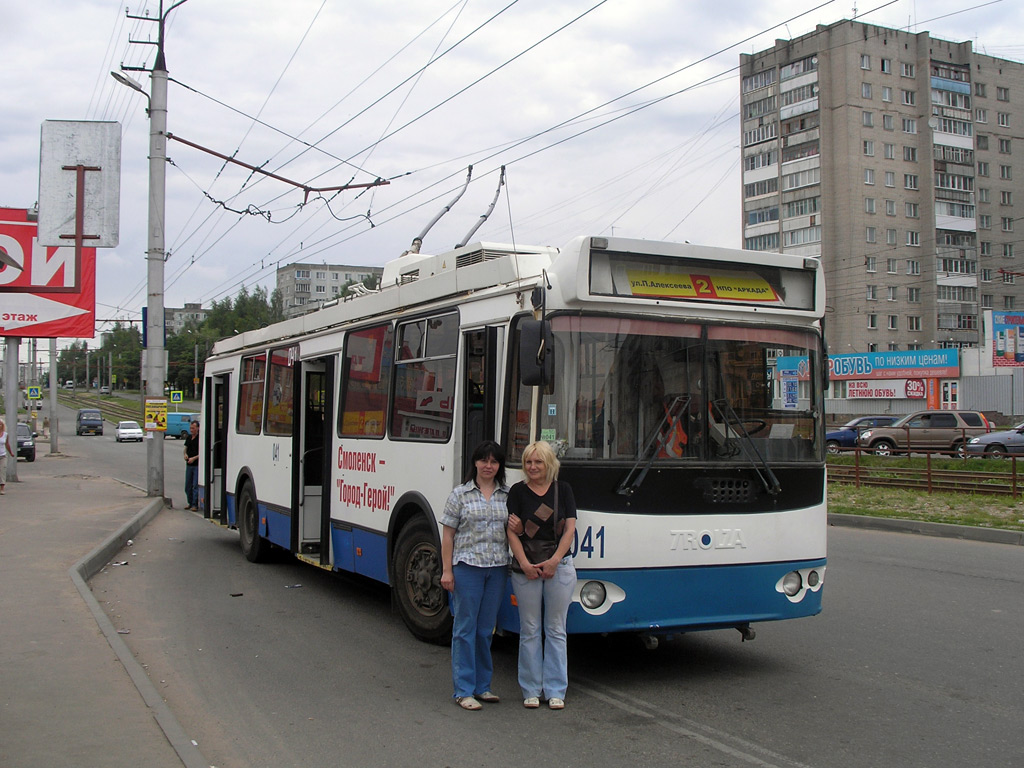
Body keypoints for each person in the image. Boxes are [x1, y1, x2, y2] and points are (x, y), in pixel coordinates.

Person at [507, 440, 577, 710]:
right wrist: (524, 564)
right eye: (528, 462)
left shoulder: (564, 490)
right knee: (530, 629)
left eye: (538, 462)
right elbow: (512, 531)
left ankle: (556, 689)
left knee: (556, 629)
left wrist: (555, 561)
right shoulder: (517, 492)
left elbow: (570, 529)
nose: (532, 467)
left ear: (549, 464)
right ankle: (531, 689)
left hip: (559, 567)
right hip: (526, 569)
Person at [440, 440, 510, 711]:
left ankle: (483, 687)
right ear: (475, 463)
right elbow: (448, 535)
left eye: (494, 461)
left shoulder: (507, 495)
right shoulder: (460, 495)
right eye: (484, 461)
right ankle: (463, 690)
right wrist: (447, 571)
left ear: (499, 465)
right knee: (465, 629)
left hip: (497, 570)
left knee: (485, 631)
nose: (488, 466)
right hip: (467, 568)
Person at [183, 420, 200, 511]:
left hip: (196, 464)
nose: (191, 430)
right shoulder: (189, 438)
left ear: (198, 428)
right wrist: (185, 455)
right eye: (190, 428)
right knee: (187, 486)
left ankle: (194, 504)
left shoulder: (200, 438)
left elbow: (202, 452)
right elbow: (185, 449)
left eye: (193, 428)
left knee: (195, 485)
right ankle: (189, 502)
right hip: (189, 465)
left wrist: (194, 458)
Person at [0, 419, 12, 495]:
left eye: (0, 424)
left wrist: (11, 453)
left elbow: (7, 444)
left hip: (3, 456)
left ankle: (2, 488)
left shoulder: (5, 434)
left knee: (2, 471)